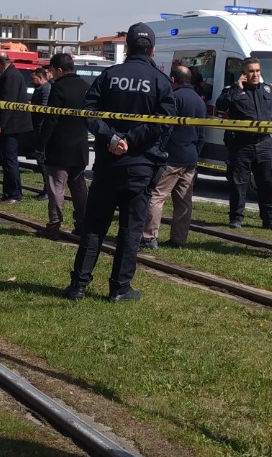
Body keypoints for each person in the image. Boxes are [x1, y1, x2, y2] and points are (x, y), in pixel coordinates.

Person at [64, 23, 175, 302]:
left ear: (127, 48)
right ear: (151, 49)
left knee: (94, 226)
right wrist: (132, 140)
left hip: (107, 165)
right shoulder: (161, 81)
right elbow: (163, 124)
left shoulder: (109, 76)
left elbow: (88, 112)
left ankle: (78, 285)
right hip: (140, 166)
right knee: (131, 229)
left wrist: (112, 138)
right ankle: (120, 288)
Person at [215, 56, 272, 230]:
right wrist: (236, 88)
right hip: (241, 144)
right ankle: (236, 217)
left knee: (268, 183)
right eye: (251, 71)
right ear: (243, 73)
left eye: (257, 71)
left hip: (264, 144)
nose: (255, 74)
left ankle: (269, 219)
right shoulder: (232, 90)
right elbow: (220, 106)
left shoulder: (269, 91)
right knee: (238, 183)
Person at [142, 65, 206, 249]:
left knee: (156, 196)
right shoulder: (200, 101)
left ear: (172, 80)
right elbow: (202, 134)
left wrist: (160, 149)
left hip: (172, 157)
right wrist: (195, 151)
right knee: (184, 201)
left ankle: (149, 237)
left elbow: (166, 128)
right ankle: (179, 240)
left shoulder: (174, 98)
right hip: (190, 157)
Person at [36, 53, 90, 239]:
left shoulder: (57, 88)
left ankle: (54, 226)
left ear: (59, 70)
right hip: (80, 148)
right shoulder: (86, 86)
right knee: (79, 189)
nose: (50, 74)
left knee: (56, 188)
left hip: (59, 148)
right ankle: (83, 224)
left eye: (51, 70)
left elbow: (51, 119)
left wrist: (41, 145)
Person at [0, 52, 31, 203]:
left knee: (10, 159)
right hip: (10, 124)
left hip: (12, 125)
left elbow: (8, 102)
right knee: (6, 159)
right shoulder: (8, 75)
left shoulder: (11, 76)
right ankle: (8, 192)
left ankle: (14, 194)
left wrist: (1, 123)